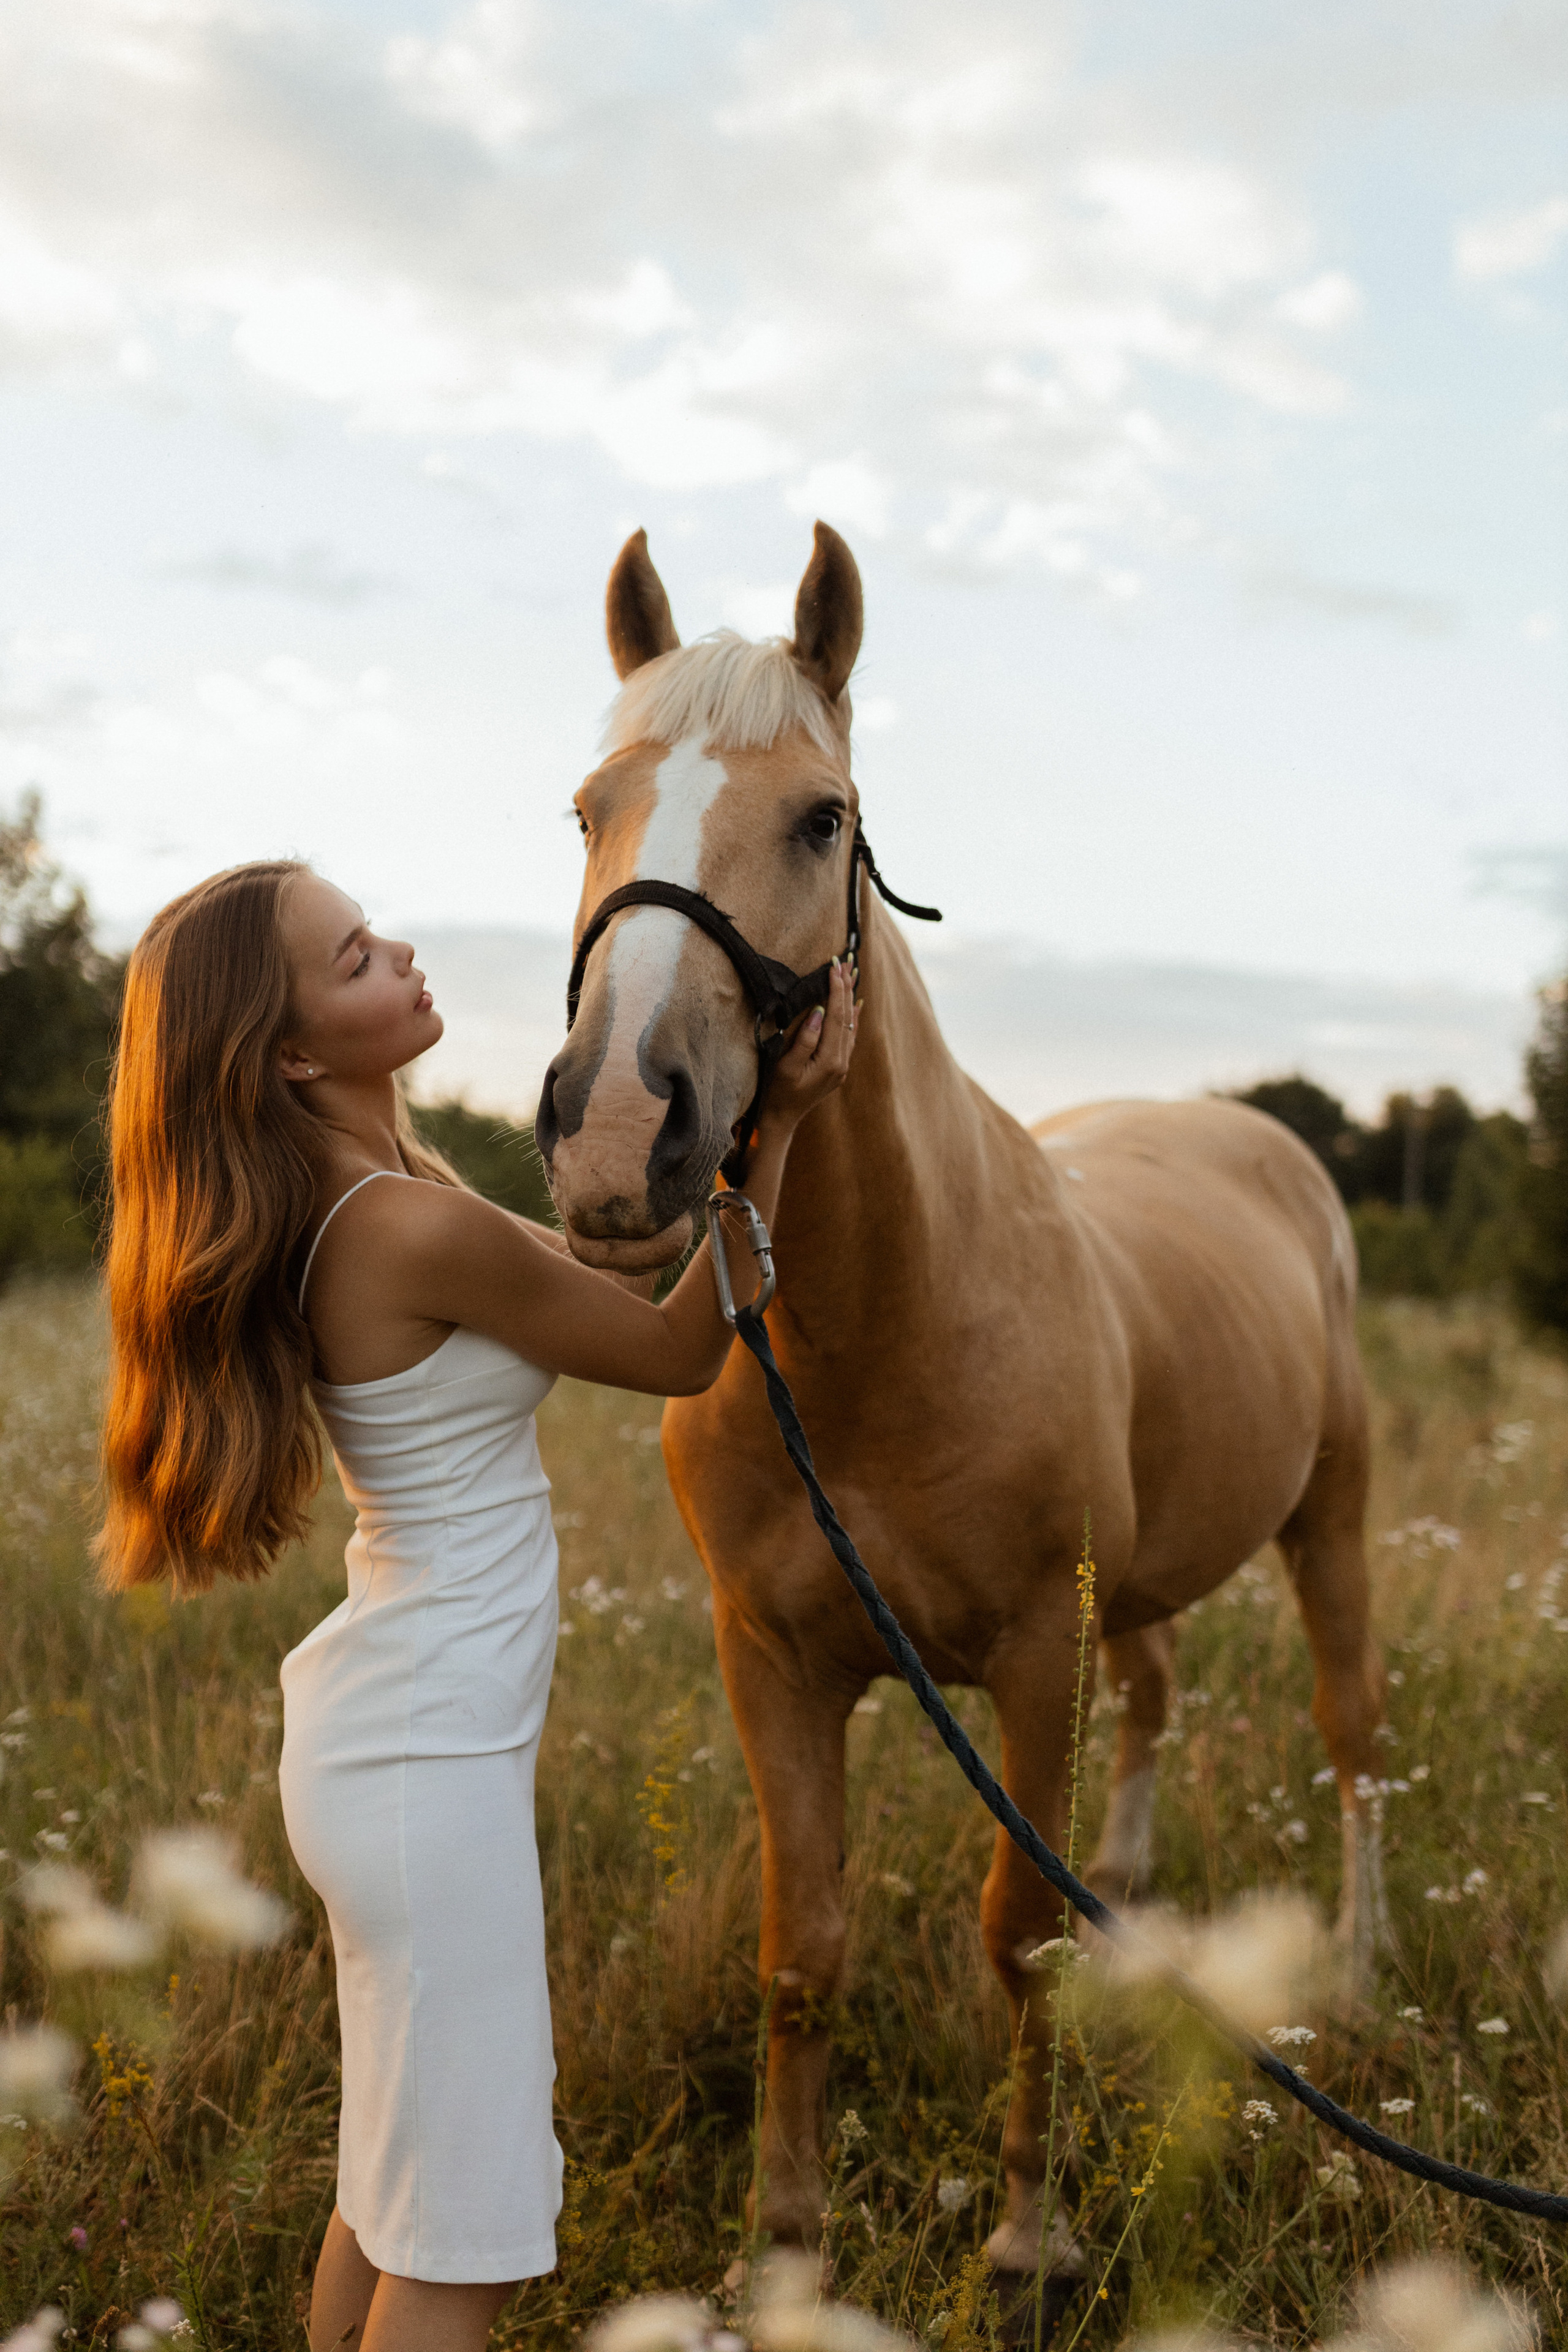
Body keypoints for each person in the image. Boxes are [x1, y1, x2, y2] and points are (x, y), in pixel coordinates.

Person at [96, 858, 856, 2352]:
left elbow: (611, 1278)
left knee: (393, 2195)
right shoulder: (401, 1225)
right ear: (291, 1052)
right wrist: (773, 1133)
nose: (400, 954)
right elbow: (674, 1350)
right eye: (353, 959)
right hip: (425, 1767)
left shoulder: (386, 1195)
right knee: (469, 2240)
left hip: (402, 1749)